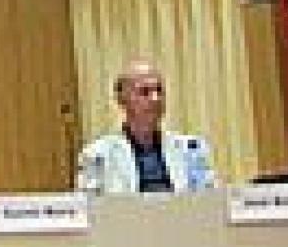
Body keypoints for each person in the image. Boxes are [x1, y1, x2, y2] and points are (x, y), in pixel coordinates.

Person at [76, 59, 218, 195]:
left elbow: (210, 199)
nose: (155, 99)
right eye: (144, 92)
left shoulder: (191, 148)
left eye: (159, 91)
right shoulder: (97, 154)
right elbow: (88, 208)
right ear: (121, 100)